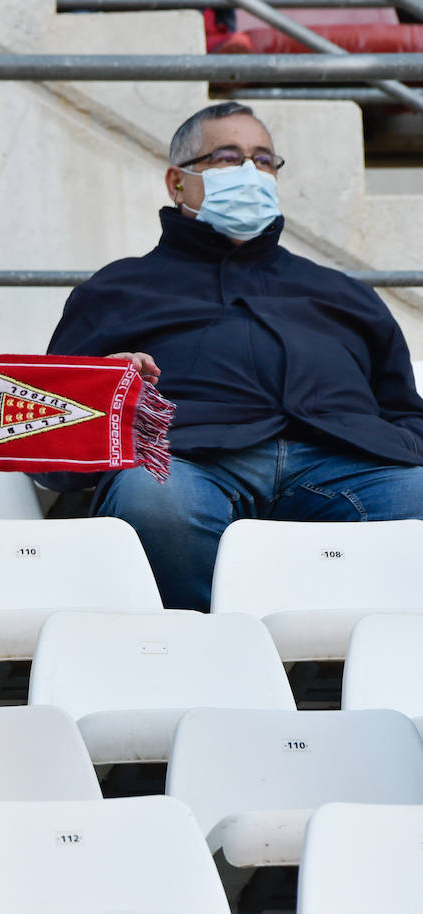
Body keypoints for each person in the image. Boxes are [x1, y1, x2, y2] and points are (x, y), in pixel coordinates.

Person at [46, 102, 423, 612]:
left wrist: (384, 447)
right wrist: (107, 391)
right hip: (188, 460)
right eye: (228, 158)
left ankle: (356, 654)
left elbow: (404, 413)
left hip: (344, 467)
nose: (251, 172)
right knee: (154, 500)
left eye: (264, 160)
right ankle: (225, 652)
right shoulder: (116, 289)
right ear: (177, 184)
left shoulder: (341, 292)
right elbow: (50, 440)